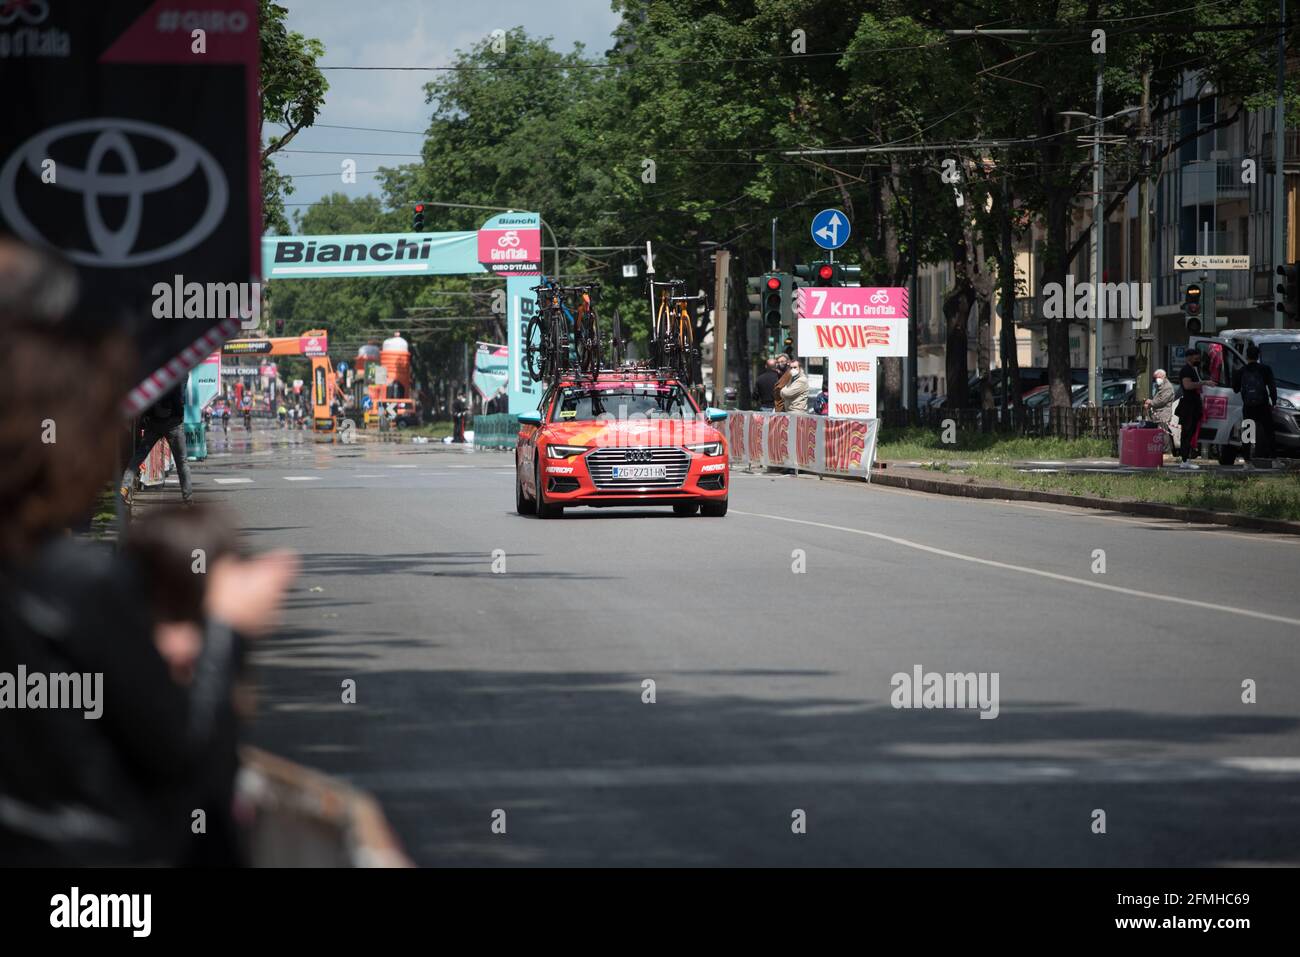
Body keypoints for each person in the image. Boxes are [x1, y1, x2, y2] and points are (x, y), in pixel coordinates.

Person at [120, 381, 192, 506]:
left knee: (138, 457)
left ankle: (124, 487)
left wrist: (147, 418)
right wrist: (179, 416)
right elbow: (179, 398)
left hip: (154, 424)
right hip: (173, 424)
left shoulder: (154, 376)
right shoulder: (175, 376)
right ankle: (188, 499)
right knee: (182, 462)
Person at [1233, 343, 1278, 464]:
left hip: (1248, 406)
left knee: (1247, 432)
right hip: (1263, 405)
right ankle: (1274, 459)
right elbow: (1272, 387)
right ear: (1258, 356)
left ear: (1247, 356)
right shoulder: (1265, 369)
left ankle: (1247, 460)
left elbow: (1235, 389)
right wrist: (1273, 401)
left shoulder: (1241, 370)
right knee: (1269, 431)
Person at [1175, 350, 1207, 468]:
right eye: (1196, 358)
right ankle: (1184, 461)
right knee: (1186, 433)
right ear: (1189, 358)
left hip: (1193, 406)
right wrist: (1203, 383)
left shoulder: (1193, 370)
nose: (1198, 361)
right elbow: (1187, 385)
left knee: (1190, 433)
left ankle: (1186, 459)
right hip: (1188, 407)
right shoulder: (1186, 370)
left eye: (1198, 358)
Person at [1143, 368, 1178, 454]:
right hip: (1159, 414)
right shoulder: (1160, 386)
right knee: (1160, 433)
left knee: (1164, 433)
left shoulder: (1167, 387)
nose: (1156, 379)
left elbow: (1161, 401)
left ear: (1163, 376)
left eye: (1158, 377)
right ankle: (1162, 450)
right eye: (1155, 378)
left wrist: (1150, 402)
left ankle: (1166, 451)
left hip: (1163, 414)